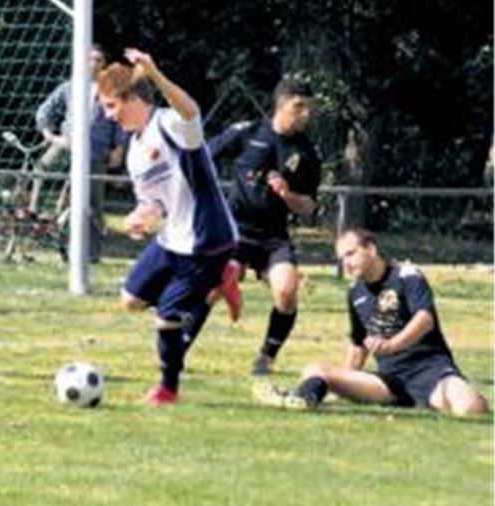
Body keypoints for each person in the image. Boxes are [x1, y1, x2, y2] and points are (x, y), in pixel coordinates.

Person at [97, 47, 240, 407]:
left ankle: (167, 389)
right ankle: (216, 283)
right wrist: (140, 216)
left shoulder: (169, 124)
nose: (108, 115)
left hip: (206, 240)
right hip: (171, 238)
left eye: (111, 105)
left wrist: (155, 74)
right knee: (130, 301)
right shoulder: (134, 150)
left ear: (131, 98)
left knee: (167, 317)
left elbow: (191, 111)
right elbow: (154, 203)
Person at [253, 228, 488, 417]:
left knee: (469, 408)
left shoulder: (407, 276)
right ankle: (303, 399)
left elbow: (424, 320)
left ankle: (464, 392)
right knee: (315, 370)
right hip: (389, 383)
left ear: (371, 249)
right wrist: (345, 381)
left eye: (351, 254)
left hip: (430, 372)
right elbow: (358, 343)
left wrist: (392, 345)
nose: (345, 263)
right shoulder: (355, 292)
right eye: (341, 258)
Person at [208, 77, 321, 375]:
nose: (306, 114)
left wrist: (288, 195)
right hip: (236, 232)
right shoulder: (248, 132)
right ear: (282, 105)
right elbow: (204, 157)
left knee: (286, 291)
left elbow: (309, 206)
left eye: (309, 108)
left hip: (273, 237)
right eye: (299, 107)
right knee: (216, 285)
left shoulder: (307, 152)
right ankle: (178, 347)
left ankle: (266, 357)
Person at [30, 45, 122, 263]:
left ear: (104, 65)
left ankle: (92, 254)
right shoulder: (69, 87)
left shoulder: (111, 90)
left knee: (93, 203)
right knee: (42, 169)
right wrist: (49, 134)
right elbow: (45, 110)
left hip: (94, 150)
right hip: (66, 143)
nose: (94, 63)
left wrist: (119, 148)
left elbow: (121, 121)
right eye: (90, 59)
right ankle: (39, 217)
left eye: (98, 60)